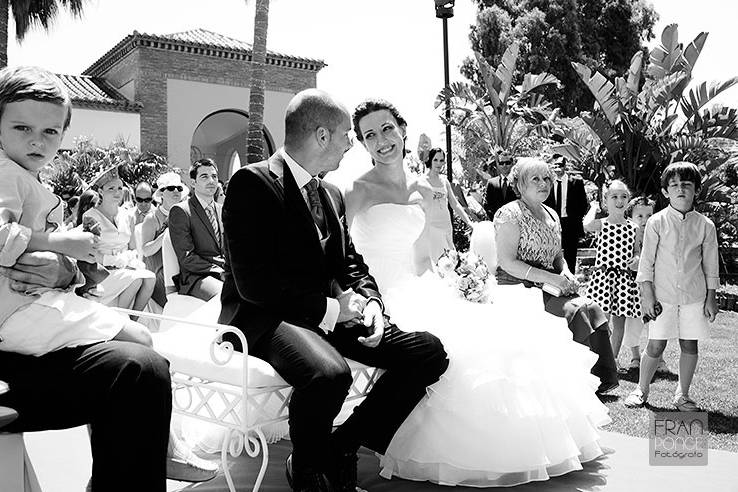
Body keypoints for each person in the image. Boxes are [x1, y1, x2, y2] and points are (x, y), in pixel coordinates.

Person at [347, 98, 610, 487]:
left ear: (402, 129)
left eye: (387, 128)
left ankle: (517, 445)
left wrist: (452, 273)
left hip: (421, 283)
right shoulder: (358, 190)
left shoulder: (423, 186)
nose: (382, 140)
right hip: (380, 295)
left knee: (494, 331)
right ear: (363, 145)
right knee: (451, 350)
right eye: (370, 135)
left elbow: (428, 244)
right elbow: (339, 249)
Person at [219, 89, 449, 492]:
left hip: (328, 314)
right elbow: (255, 284)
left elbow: (351, 263)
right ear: (322, 136)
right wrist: (330, 309)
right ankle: (308, 470)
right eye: (347, 134)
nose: (350, 144)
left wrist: (372, 303)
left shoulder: (331, 193)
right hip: (266, 317)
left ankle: (344, 443)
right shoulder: (251, 183)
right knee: (329, 374)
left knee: (428, 353)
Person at [0, 65, 171, 491]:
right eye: (22, 127)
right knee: (141, 346)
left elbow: (44, 259)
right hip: (15, 319)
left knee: (143, 363)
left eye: (50, 132)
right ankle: (168, 448)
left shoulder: (25, 178)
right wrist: (58, 243)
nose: (37, 141)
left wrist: (66, 265)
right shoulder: (5, 174)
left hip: (27, 314)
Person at [495, 158, 619, 394]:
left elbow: (557, 256)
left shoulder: (551, 214)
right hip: (517, 287)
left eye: (547, 179)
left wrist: (566, 272)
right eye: (536, 179)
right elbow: (507, 263)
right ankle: (574, 383)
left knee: (592, 307)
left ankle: (598, 379)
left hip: (549, 286)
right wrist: (552, 279)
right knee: (575, 311)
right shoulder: (509, 214)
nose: (544, 184)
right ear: (520, 185)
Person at [625, 162, 719, 411]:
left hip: (694, 295)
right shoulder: (656, 222)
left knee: (690, 344)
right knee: (656, 344)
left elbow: (711, 265)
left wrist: (711, 297)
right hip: (661, 295)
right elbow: (646, 262)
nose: (680, 189)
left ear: (696, 190)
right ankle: (641, 389)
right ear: (666, 191)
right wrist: (646, 294)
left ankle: (682, 395)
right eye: (674, 185)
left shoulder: (706, 226)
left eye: (686, 185)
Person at [583, 180, 642, 371]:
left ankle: (613, 359)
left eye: (623, 196)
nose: (619, 200)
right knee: (600, 320)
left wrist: (636, 260)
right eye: (614, 196)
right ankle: (596, 357)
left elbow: (637, 252)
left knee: (619, 322)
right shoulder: (601, 224)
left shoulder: (633, 227)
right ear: (605, 200)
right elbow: (586, 225)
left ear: (628, 200)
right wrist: (593, 206)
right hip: (603, 278)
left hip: (624, 280)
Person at [83, 166, 156, 316]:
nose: (117, 192)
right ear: (101, 191)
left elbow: (133, 248)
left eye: (120, 188)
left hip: (126, 268)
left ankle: (133, 319)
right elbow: (90, 252)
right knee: (135, 279)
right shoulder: (90, 216)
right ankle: (121, 319)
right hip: (102, 272)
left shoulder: (128, 216)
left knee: (150, 278)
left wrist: (129, 260)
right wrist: (114, 261)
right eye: (111, 188)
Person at [621, 196, 670, 373]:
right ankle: (635, 356)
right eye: (639, 216)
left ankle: (659, 359)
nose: (644, 220)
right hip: (633, 287)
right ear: (630, 216)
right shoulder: (627, 234)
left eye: (648, 215)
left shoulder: (658, 233)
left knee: (655, 322)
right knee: (633, 323)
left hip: (653, 286)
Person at [169, 158, 225, 301]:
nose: (211, 181)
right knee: (226, 295)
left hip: (225, 272)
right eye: (204, 177)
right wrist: (219, 270)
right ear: (193, 183)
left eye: (214, 176)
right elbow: (187, 257)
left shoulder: (222, 210)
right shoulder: (181, 211)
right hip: (196, 277)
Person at [417, 147, 473, 263]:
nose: (439, 163)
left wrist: (469, 222)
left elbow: (455, 204)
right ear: (430, 160)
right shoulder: (421, 181)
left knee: (451, 259)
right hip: (431, 227)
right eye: (436, 160)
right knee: (439, 262)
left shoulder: (444, 180)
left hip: (446, 225)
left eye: (441, 160)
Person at [141, 172, 188, 307]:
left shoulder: (185, 214)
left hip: (182, 268)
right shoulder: (152, 218)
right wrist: (165, 234)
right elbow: (146, 250)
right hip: (160, 271)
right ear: (161, 193)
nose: (176, 191)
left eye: (179, 188)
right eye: (171, 188)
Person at [544, 154, 589, 272]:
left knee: (570, 256)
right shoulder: (548, 183)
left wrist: (576, 219)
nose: (558, 168)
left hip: (570, 223)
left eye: (560, 165)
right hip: (553, 224)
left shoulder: (576, 182)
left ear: (565, 166)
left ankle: (570, 281)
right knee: (553, 253)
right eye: (555, 166)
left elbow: (583, 204)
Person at [483, 148, 516, 220]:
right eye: (501, 163)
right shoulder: (491, 183)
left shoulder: (518, 182)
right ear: (498, 165)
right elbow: (487, 205)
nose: (504, 165)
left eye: (507, 163)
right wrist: (495, 220)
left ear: (512, 163)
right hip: (496, 222)